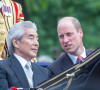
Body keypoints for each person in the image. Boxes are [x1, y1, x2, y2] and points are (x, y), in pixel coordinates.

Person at [0, 21, 51, 90]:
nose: (36, 43)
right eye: (31, 38)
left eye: (37, 39)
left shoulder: (44, 72)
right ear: (16, 42)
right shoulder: (2, 68)